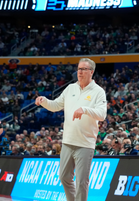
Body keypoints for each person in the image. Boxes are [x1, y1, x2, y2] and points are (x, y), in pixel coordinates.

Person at [35, 58, 107, 201]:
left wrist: (85, 109)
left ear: (91, 72)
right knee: (64, 177)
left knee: (81, 182)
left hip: (85, 143)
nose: (79, 72)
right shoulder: (70, 88)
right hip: (68, 141)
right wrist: (44, 101)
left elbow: (102, 114)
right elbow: (56, 106)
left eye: (83, 69)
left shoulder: (98, 92)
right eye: (79, 69)